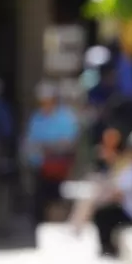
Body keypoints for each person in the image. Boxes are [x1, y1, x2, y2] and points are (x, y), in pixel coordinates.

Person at [25, 82, 79, 226]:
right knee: (39, 197)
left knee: (59, 196)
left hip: (61, 165)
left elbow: (69, 142)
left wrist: (50, 147)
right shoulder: (37, 117)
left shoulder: (66, 117)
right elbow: (32, 141)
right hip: (40, 165)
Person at [90, 125, 132, 256]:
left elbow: (119, 194)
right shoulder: (122, 165)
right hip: (123, 207)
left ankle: (107, 247)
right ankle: (106, 246)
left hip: (131, 212)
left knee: (103, 214)